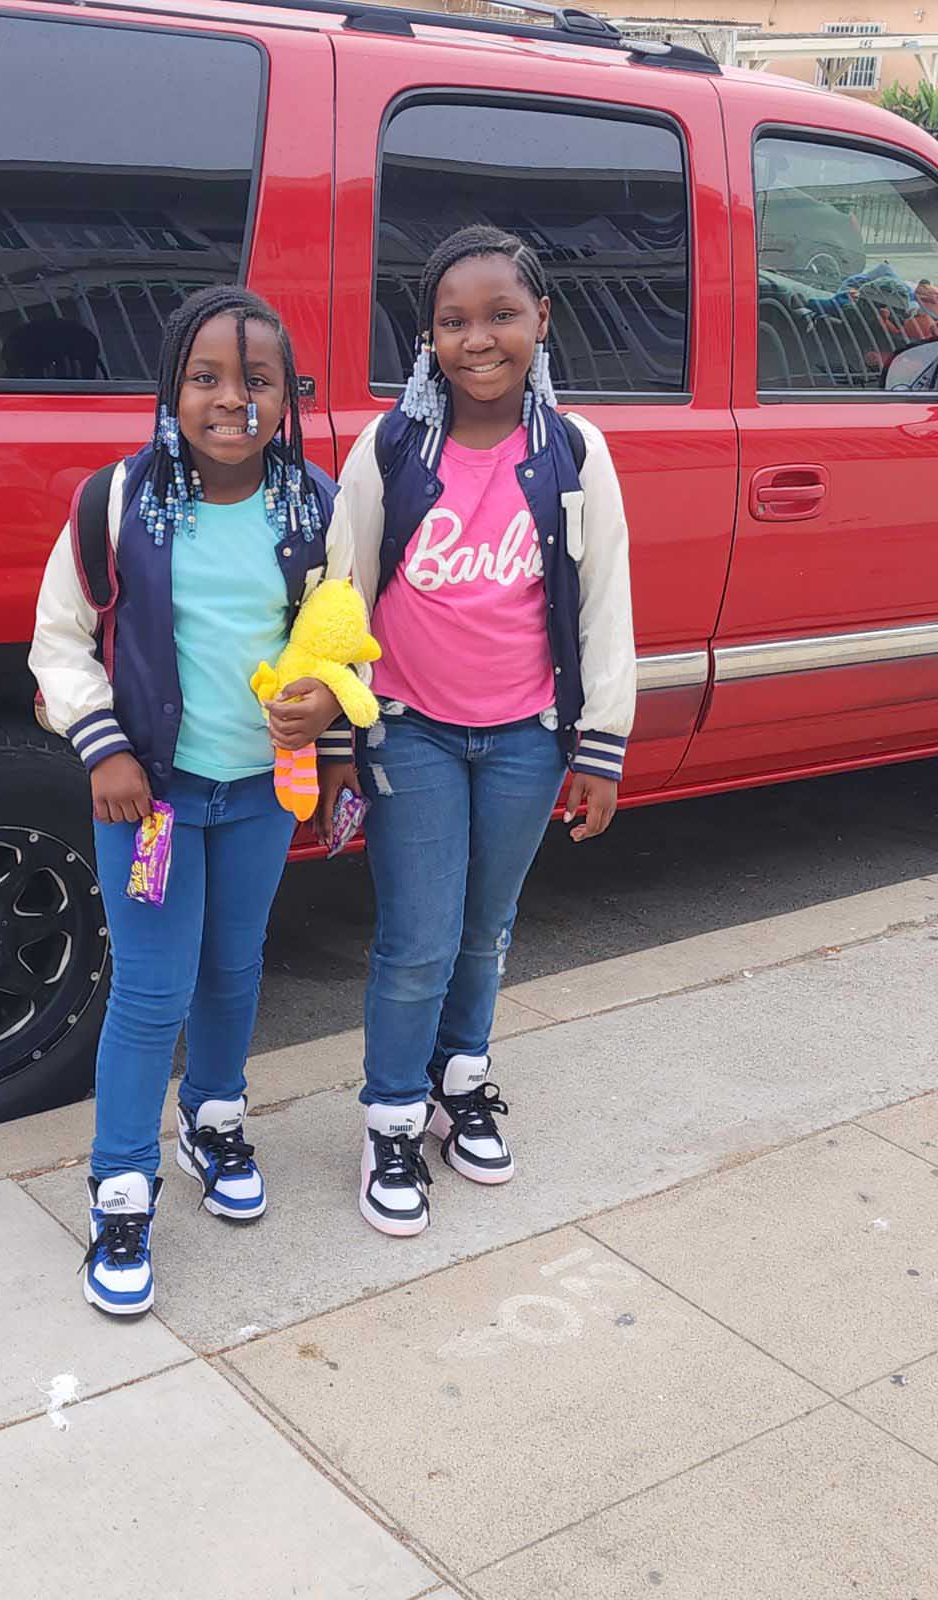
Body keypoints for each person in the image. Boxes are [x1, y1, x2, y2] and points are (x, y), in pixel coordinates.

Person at [30, 287, 346, 1314]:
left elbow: (342, 638)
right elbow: (59, 640)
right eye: (205, 378)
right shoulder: (117, 502)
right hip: (150, 806)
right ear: (172, 387)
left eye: (255, 381)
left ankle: (214, 1114)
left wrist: (324, 708)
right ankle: (122, 1185)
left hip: (258, 794)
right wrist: (103, 747)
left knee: (234, 965)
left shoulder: (315, 506)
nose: (230, 401)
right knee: (151, 990)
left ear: (286, 394)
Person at [319, 226, 636, 1238]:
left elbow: (604, 609)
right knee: (415, 939)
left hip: (525, 737)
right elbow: (342, 592)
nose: (480, 338)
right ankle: (392, 1118)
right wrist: (335, 739)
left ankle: (463, 1079)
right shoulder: (392, 447)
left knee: (484, 931)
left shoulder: (577, 454)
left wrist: (600, 744)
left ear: (543, 321)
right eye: (454, 321)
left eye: (503, 314)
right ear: (428, 338)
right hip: (408, 730)